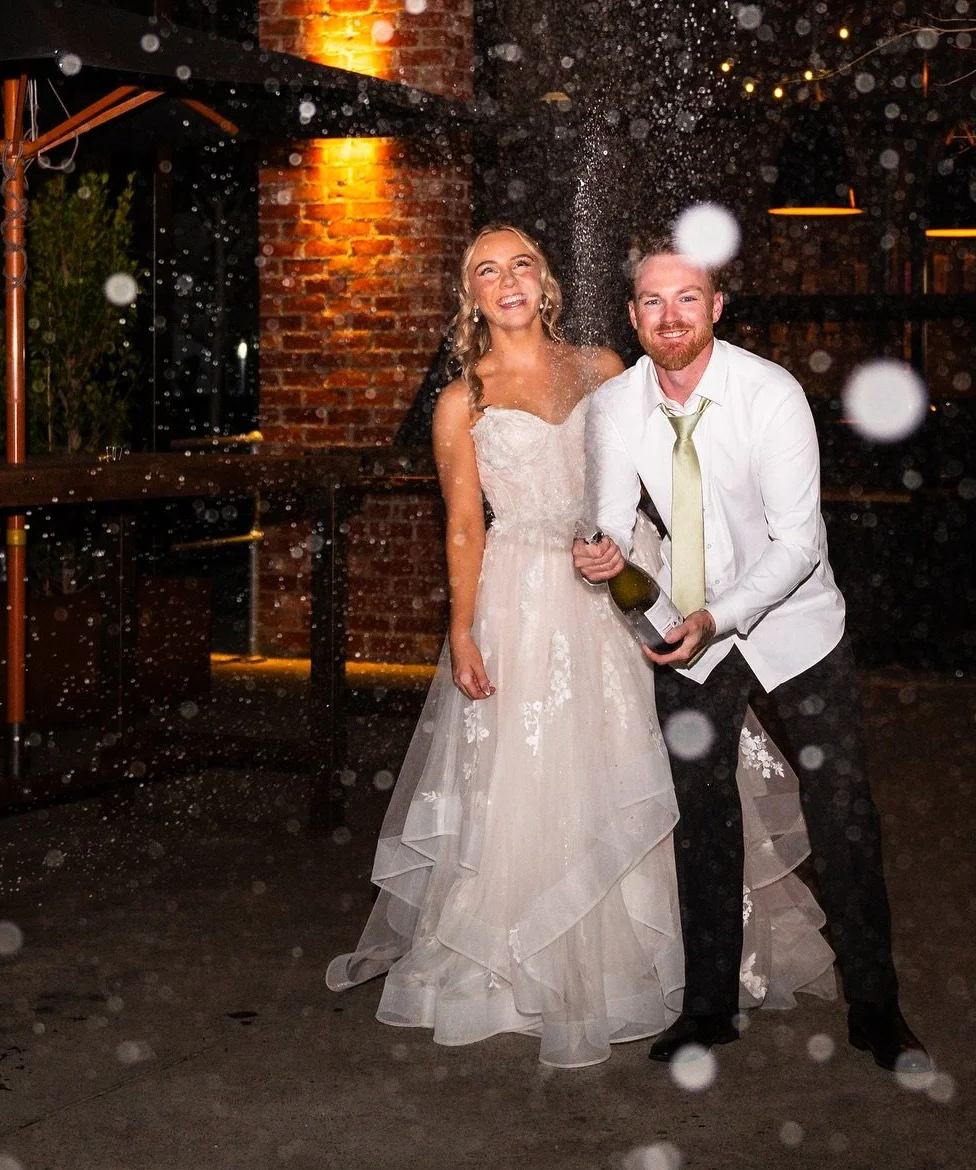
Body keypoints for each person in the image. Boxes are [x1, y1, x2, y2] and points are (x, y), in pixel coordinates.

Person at [327, 224, 834, 1068]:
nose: (508, 279)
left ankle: (687, 965)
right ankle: (535, 970)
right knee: (533, 784)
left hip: (626, 590)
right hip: (523, 599)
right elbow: (461, 526)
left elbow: (668, 477)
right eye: (487, 271)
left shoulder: (604, 369)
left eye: (521, 262)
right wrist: (459, 631)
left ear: (546, 280)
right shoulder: (466, 401)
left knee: (652, 772)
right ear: (473, 297)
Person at [574, 240, 925, 1068]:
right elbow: (615, 520)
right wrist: (605, 554)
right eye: (653, 302)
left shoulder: (770, 393)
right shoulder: (615, 407)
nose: (670, 317)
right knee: (701, 818)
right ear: (633, 316)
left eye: (687, 299)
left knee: (842, 813)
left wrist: (718, 614)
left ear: (716, 307)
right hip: (684, 638)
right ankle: (708, 1009)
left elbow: (798, 542)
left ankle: (876, 1006)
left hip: (796, 630)